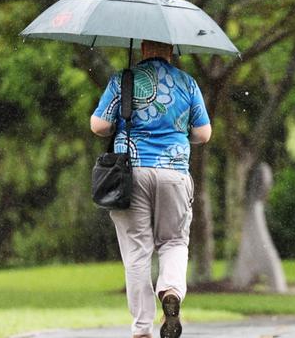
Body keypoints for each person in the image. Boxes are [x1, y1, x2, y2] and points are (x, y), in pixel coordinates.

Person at [90, 40, 212, 338]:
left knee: (137, 252)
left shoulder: (124, 79)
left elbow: (98, 125)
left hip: (131, 173)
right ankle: (170, 291)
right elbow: (203, 133)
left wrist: (123, 122)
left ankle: (142, 329)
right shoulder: (187, 83)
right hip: (174, 173)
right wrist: (176, 131)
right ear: (171, 51)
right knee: (173, 242)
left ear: (143, 48)